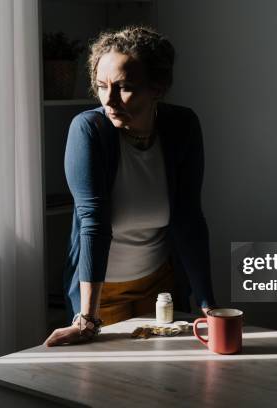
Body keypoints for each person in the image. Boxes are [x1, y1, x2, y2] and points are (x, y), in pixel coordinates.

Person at [44, 26, 216, 347]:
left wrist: (209, 305)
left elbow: (189, 218)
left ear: (158, 87)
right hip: (100, 293)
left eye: (123, 87)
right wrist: (88, 319)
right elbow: (93, 224)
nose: (108, 100)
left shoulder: (182, 126)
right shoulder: (89, 131)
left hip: (162, 287)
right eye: (100, 86)